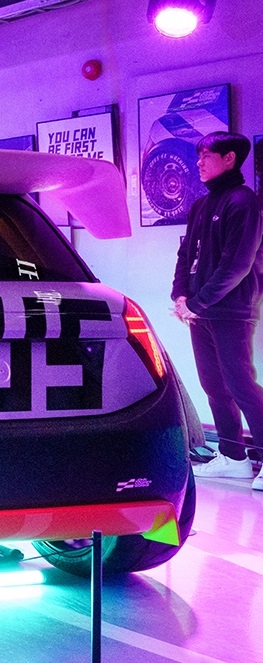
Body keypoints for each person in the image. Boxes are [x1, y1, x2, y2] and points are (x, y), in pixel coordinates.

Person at [171, 131, 263, 491]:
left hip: (232, 311)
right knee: (213, 385)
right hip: (201, 311)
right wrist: (181, 296)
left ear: (229, 158)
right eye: (199, 156)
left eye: (206, 156)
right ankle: (233, 458)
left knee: (241, 384)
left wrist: (196, 303)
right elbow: (185, 255)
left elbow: (237, 264)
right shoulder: (200, 205)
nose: (199, 163)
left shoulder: (244, 201)